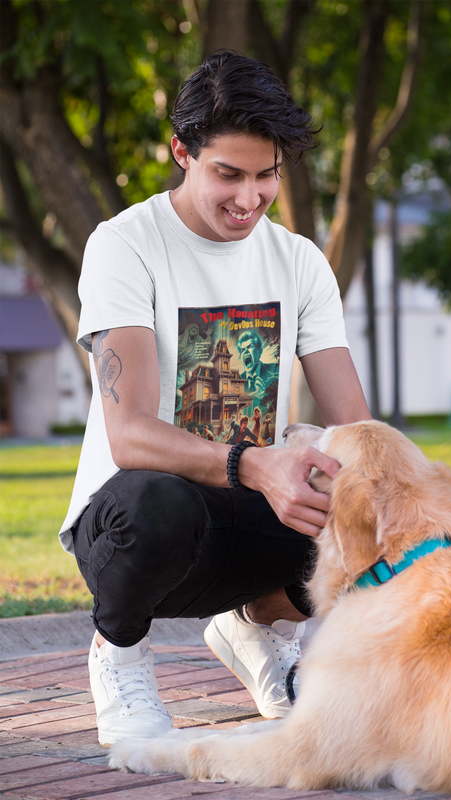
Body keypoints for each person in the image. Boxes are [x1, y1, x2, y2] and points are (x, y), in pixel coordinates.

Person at [59, 51, 371, 749]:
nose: (248, 198)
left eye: (266, 176)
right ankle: (119, 652)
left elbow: (356, 428)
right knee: (159, 499)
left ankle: (258, 628)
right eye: (227, 174)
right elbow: (131, 436)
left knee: (374, 495)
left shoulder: (297, 261)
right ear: (181, 153)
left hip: (249, 520)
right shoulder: (125, 246)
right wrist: (259, 462)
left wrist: (398, 497)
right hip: (133, 526)